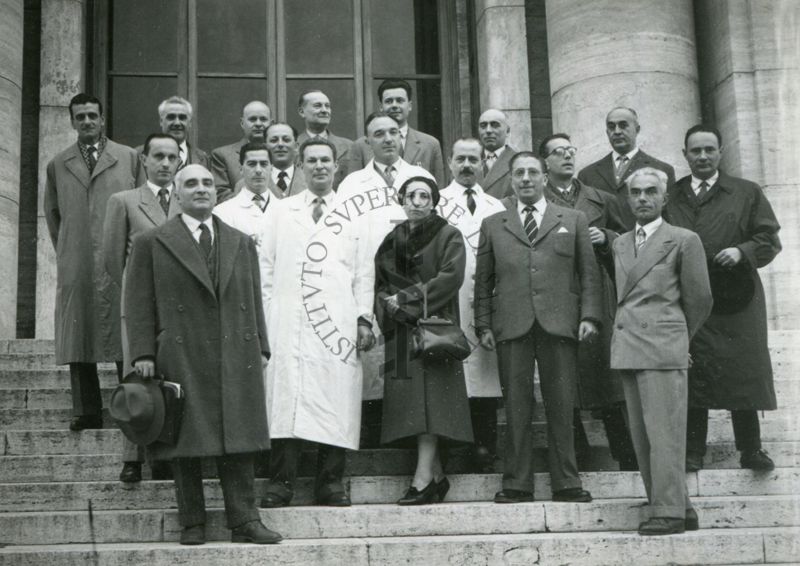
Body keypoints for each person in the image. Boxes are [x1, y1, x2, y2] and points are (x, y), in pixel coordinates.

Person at [125, 164, 281, 546]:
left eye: (208, 183)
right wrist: (143, 352)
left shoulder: (240, 241)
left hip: (234, 349)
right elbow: (138, 300)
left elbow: (252, 296)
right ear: (176, 194)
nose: (201, 189)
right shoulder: (152, 241)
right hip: (181, 349)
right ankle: (192, 521)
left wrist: (260, 343)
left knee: (238, 438)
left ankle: (245, 520)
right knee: (185, 439)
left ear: (217, 193)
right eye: (191, 183)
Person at [474, 151, 600, 504]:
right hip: (511, 324)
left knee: (562, 404)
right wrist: (483, 323)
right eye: (519, 173)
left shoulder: (573, 219)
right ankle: (516, 482)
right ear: (511, 181)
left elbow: (588, 272)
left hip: (559, 324)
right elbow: (483, 280)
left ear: (545, 177)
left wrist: (589, 315)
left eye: (533, 172)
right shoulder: (494, 223)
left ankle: (567, 482)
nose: (526, 178)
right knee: (516, 406)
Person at [258, 139, 375, 508]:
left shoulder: (354, 213)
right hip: (286, 320)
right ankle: (281, 483)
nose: (319, 166)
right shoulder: (281, 211)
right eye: (311, 161)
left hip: (337, 321)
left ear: (336, 166)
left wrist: (362, 319)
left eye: (326, 160)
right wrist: (266, 318)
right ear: (300, 166)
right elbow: (265, 269)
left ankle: (330, 483)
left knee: (335, 397)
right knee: (285, 399)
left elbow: (364, 272)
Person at [667, 124, 782, 472]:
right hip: (690, 298)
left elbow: (769, 239)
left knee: (743, 369)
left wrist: (742, 251)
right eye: (695, 151)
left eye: (709, 150)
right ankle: (692, 452)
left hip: (737, 297)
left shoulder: (746, 192)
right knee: (693, 369)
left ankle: (750, 449)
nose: (702, 156)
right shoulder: (671, 195)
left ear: (720, 152)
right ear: (685, 154)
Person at [611, 167, 712, 535]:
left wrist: (677, 340)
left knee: (664, 434)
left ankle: (667, 513)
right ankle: (676, 506)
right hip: (629, 347)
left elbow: (700, 299)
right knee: (643, 437)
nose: (642, 198)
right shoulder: (620, 243)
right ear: (627, 197)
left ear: (664, 198)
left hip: (662, 347)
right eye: (635, 192)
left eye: (650, 191)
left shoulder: (684, 240)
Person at [539, 133, 637, 471]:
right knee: (564, 373)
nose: (567, 156)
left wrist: (606, 237)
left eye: (571, 150)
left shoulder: (601, 199)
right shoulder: (538, 200)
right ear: (545, 163)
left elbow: (631, 240)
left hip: (597, 292)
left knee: (605, 374)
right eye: (558, 152)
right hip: (556, 293)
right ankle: (576, 449)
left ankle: (625, 451)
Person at [337, 111, 434, 444]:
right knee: (371, 358)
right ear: (368, 141)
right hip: (367, 280)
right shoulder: (352, 184)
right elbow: (344, 239)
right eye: (379, 134)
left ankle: (405, 435)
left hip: (410, 284)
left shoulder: (419, 176)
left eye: (393, 132)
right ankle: (373, 436)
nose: (388, 139)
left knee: (406, 362)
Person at [44, 93, 138, 432]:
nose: (86, 122)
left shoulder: (128, 158)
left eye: (92, 116)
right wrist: (70, 248)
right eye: (80, 116)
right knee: (78, 332)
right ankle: (86, 410)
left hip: (119, 258)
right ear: (71, 121)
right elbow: (53, 215)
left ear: (102, 119)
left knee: (124, 332)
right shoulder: (57, 164)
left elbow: (140, 207)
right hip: (78, 258)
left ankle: (131, 406)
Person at [375, 176, 472, 504]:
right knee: (415, 407)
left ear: (434, 202)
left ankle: (421, 480)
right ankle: (437, 476)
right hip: (402, 333)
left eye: (424, 196)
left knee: (431, 404)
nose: (417, 202)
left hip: (434, 329)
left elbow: (450, 277)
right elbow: (381, 282)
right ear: (401, 200)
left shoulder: (448, 235)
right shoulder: (393, 238)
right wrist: (390, 305)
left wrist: (407, 298)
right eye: (411, 196)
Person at [103, 133, 182, 483]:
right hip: (139, 305)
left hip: (179, 307)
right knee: (136, 378)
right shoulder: (125, 201)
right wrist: (135, 298)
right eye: (158, 156)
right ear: (145, 160)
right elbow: (111, 258)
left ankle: (164, 453)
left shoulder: (188, 200)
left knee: (172, 376)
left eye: (171, 157)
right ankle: (132, 457)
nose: (165, 163)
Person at [438, 138, 505, 472]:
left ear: (483, 164)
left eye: (473, 159)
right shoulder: (436, 203)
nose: (467, 165)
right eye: (460, 158)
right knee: (453, 375)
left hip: (486, 303)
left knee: (485, 374)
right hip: (450, 302)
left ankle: (484, 448)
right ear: (449, 162)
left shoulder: (497, 206)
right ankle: (452, 449)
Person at [578, 107, 675, 230]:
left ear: (637, 129)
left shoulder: (662, 169)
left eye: (623, 125)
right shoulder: (587, 174)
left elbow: (670, 218)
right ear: (607, 132)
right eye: (612, 127)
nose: (617, 131)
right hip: (603, 247)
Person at [349, 79, 445, 186]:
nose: (394, 105)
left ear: (410, 105)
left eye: (400, 100)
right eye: (389, 101)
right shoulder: (361, 145)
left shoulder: (430, 144)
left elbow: (438, 189)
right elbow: (354, 186)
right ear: (381, 107)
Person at [135, 96, 208, 183]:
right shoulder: (137, 155)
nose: (177, 123)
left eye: (182, 118)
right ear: (161, 121)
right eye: (171, 117)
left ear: (190, 123)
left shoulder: (204, 159)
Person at [210, 100, 272, 202]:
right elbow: (220, 193)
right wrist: (255, 204)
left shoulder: (281, 155)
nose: (258, 124)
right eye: (252, 119)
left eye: (263, 119)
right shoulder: (222, 155)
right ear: (242, 123)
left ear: (271, 123)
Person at [213, 142, 274, 242]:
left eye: (263, 164)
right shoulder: (222, 213)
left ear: (271, 168)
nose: (258, 170)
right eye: (252, 164)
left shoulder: (287, 210)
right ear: (241, 169)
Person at [296, 90, 352, 189]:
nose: (324, 110)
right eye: (317, 106)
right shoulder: (293, 146)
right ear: (301, 112)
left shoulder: (350, 146)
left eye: (327, 106)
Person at [476, 109, 517, 199]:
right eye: (483, 126)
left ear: (507, 131)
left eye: (494, 125)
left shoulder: (518, 162)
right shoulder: (467, 161)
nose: (488, 130)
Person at [264, 122, 307, 198]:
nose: (280, 144)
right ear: (265, 147)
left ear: (296, 147)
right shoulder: (246, 184)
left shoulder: (311, 182)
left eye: (286, 140)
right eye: (274, 140)